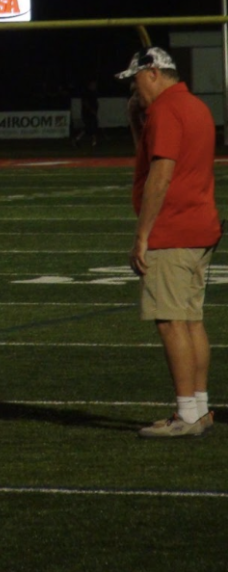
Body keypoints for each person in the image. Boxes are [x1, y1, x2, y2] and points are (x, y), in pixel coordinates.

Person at [118, 47, 220, 437]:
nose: (134, 87)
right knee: (191, 321)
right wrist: (135, 124)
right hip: (200, 226)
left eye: (135, 79)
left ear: (153, 73)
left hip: (173, 230)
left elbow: (160, 176)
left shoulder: (165, 111)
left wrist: (142, 235)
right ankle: (199, 409)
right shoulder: (194, 106)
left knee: (171, 322)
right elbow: (150, 158)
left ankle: (186, 415)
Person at [74, 79, 100, 147]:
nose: (95, 86)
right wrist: (91, 110)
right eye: (93, 85)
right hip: (87, 113)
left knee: (93, 127)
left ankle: (94, 141)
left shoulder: (94, 93)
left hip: (92, 113)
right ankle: (78, 138)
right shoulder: (87, 93)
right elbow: (85, 103)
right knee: (88, 127)